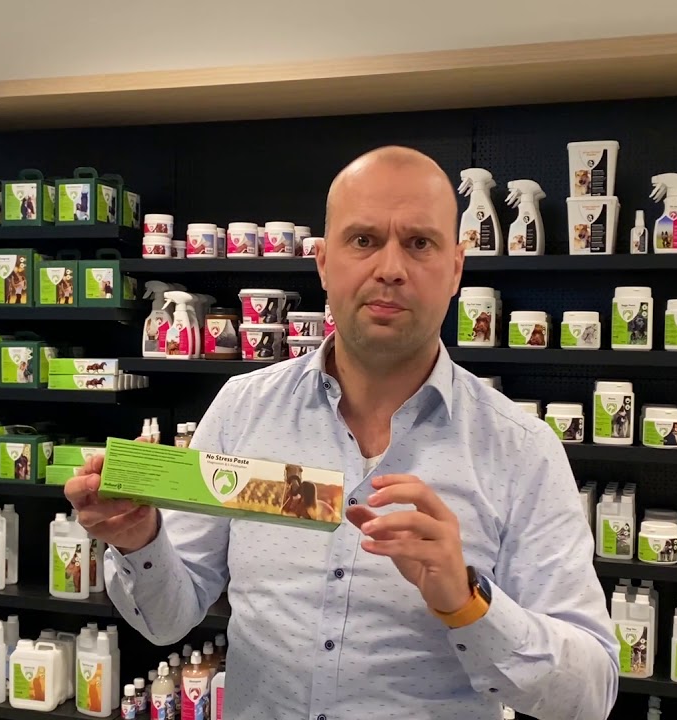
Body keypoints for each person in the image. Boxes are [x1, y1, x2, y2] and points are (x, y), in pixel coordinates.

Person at [66, 146, 618, 719]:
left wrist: (468, 602)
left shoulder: (522, 451)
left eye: (420, 243)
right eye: (363, 240)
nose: (391, 268)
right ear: (324, 263)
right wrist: (139, 541)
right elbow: (166, 621)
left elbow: (590, 696)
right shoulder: (242, 409)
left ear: (456, 268)